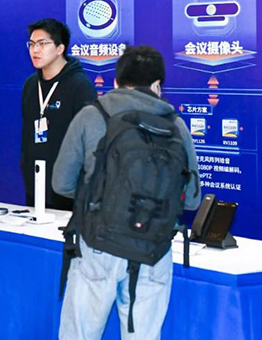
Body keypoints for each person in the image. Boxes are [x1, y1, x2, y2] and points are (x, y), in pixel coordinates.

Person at [52, 45, 201, 340]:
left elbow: (61, 183)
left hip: (98, 244)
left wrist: (100, 196)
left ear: (116, 82)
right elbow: (193, 198)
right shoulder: (176, 126)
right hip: (154, 249)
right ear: (157, 86)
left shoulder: (92, 115)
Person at [21, 18, 96, 211]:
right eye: (31, 44)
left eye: (42, 44)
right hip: (35, 183)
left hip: (68, 189)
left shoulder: (80, 86)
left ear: (60, 48)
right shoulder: (31, 85)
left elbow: (89, 141)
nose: (35, 50)